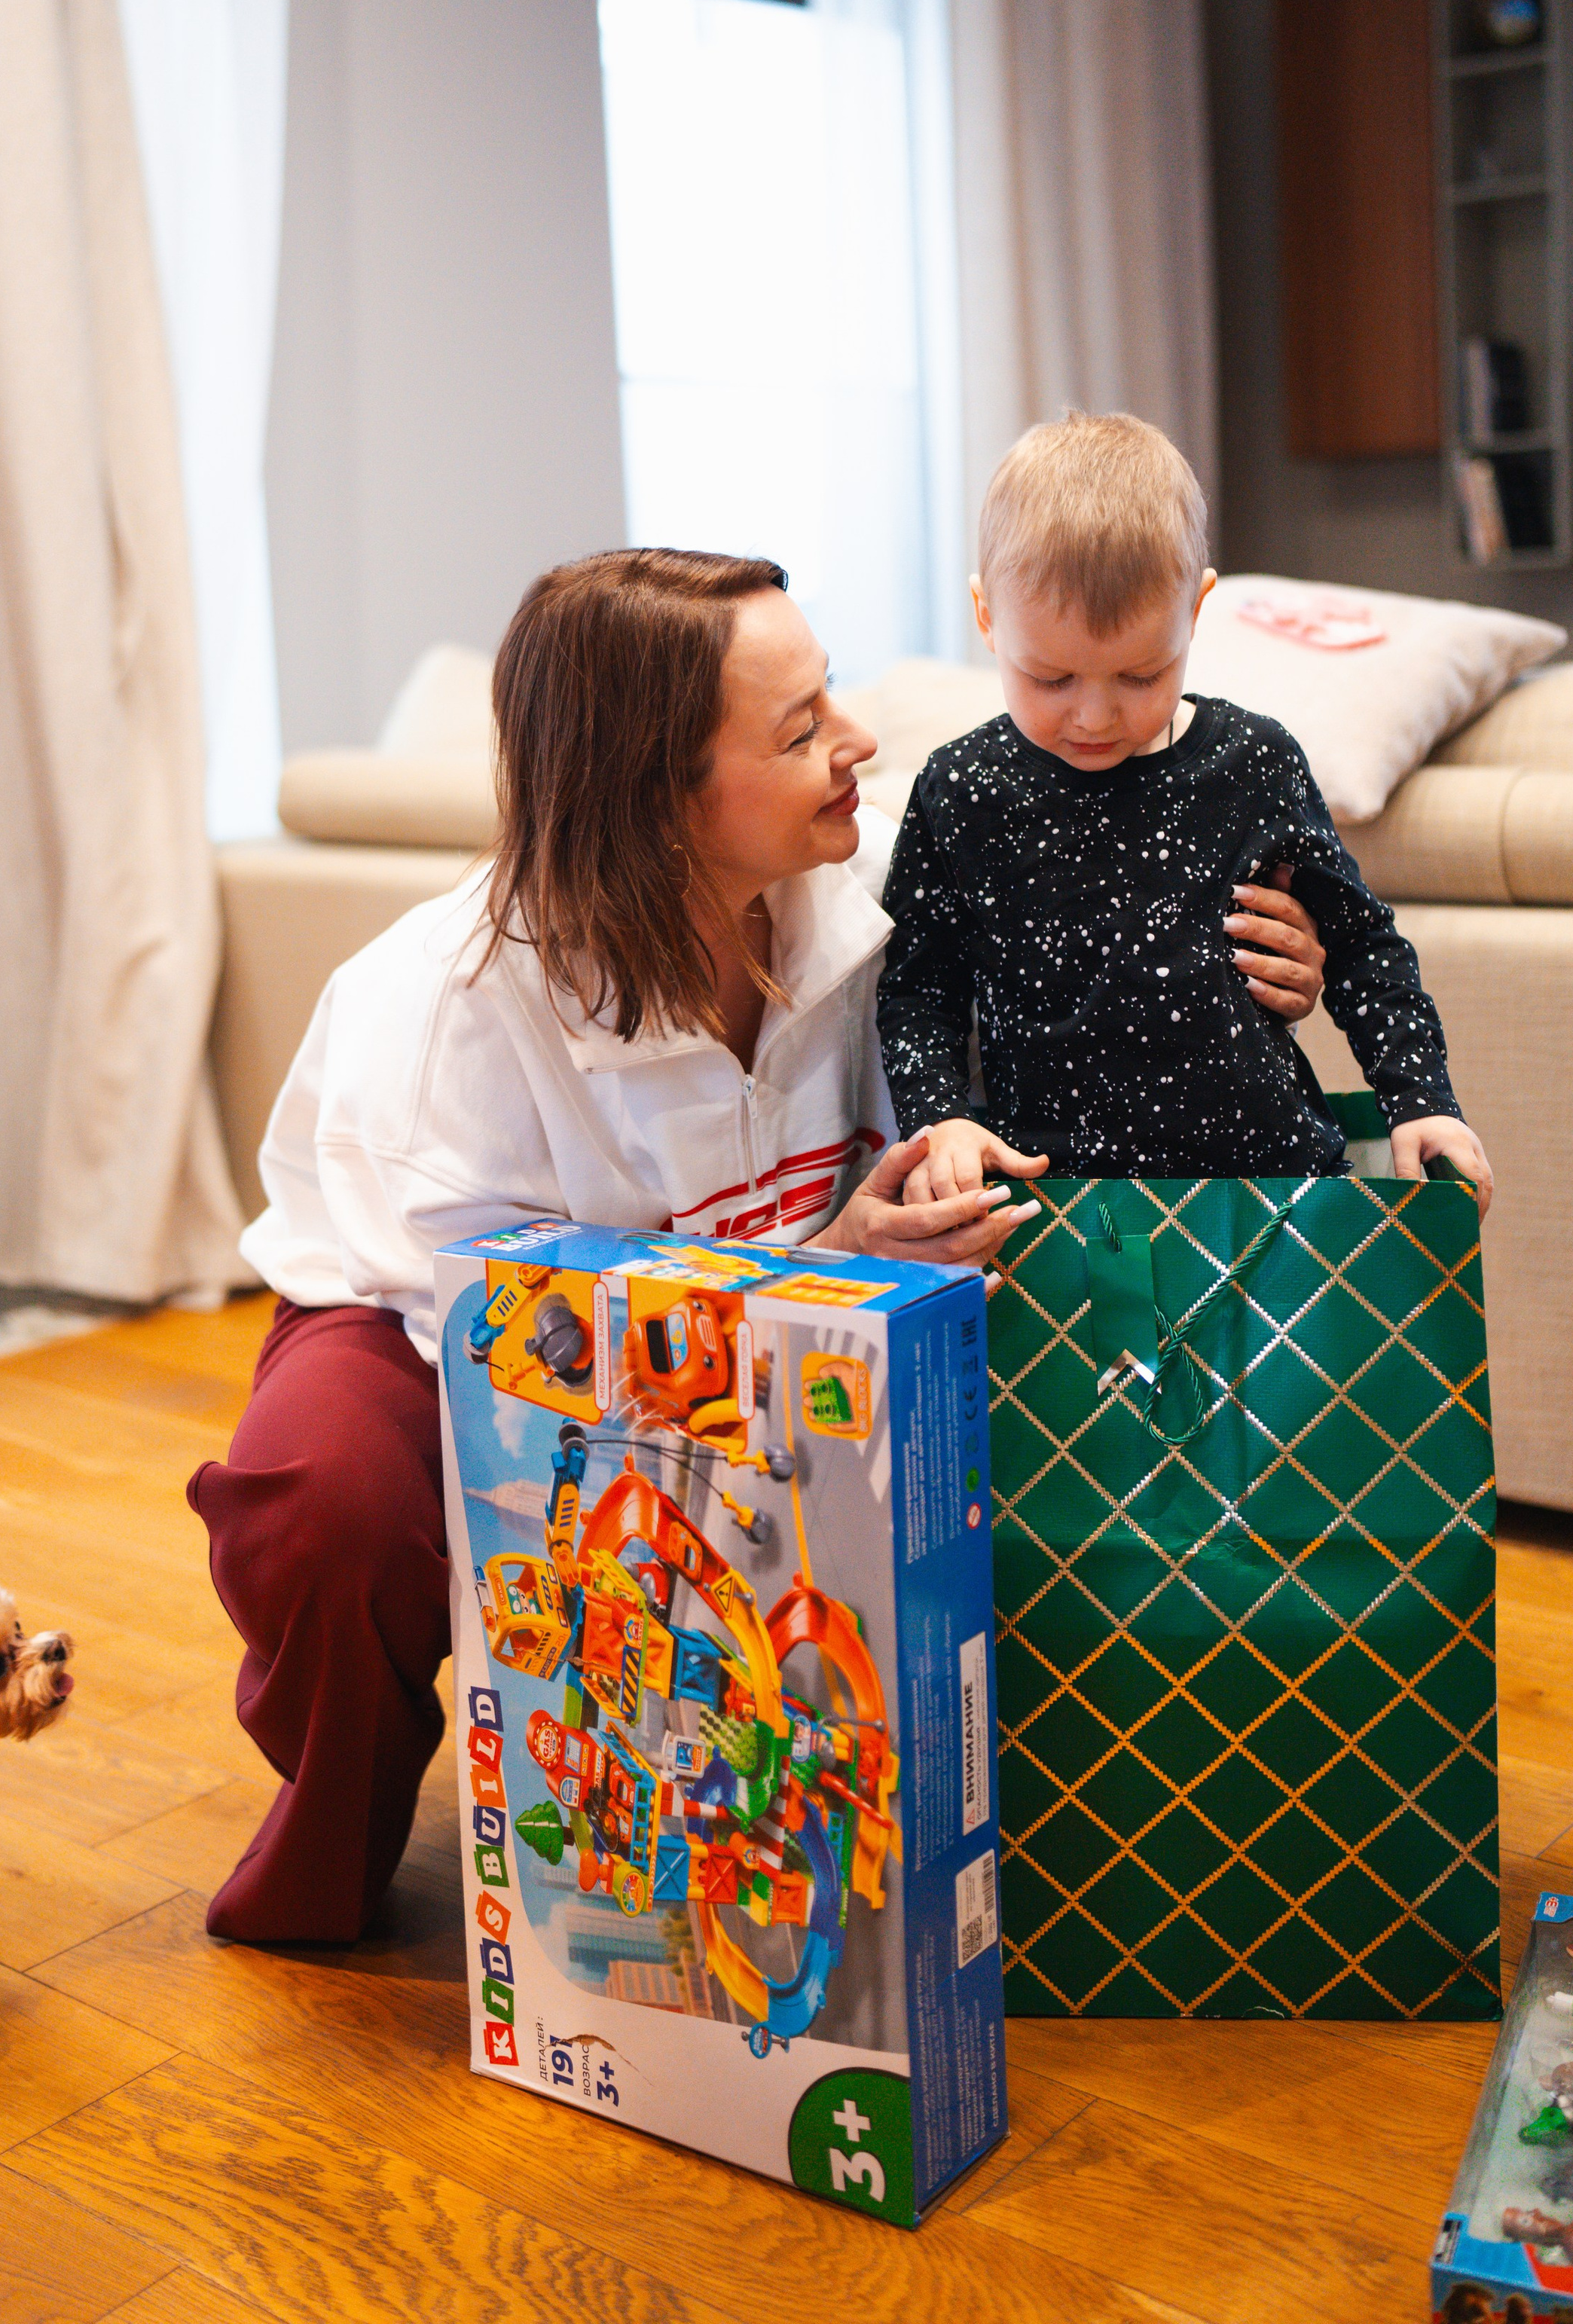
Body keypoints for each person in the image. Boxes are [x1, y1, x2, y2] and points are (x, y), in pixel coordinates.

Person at [187, 546, 1331, 1944]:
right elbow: (523, 1364)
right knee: (328, 1510)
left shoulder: (853, 892)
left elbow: (1114, 922)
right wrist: (820, 1269)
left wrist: (1272, 965)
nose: (856, 744)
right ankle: (331, 1838)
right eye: (799, 733)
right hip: (434, 1341)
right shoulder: (439, 1021)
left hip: (784, 1327)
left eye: (830, 695)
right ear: (655, 801)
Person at [878, 414, 1494, 1211]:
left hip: (1275, 1183)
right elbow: (918, 991)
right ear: (986, 615)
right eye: (1050, 678)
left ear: (1196, 610)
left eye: (1140, 675)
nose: (1094, 717)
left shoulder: (1255, 762)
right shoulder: (957, 789)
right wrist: (939, 1123)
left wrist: (1422, 1101)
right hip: (1054, 1206)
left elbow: (1363, 947)